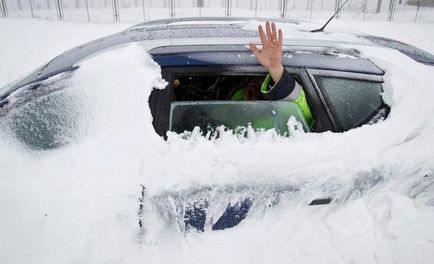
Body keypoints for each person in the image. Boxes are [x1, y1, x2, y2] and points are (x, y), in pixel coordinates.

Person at [233, 21, 314, 128]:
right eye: (253, 78)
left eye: (265, 78)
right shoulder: (234, 102)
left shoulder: (282, 118)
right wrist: (245, 104)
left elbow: (301, 118)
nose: (257, 82)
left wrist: (275, 68)